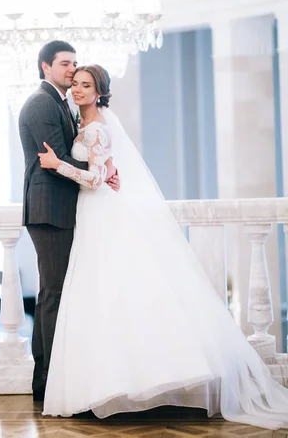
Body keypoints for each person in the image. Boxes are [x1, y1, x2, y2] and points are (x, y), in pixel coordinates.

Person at [38, 64, 288, 429]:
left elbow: (93, 179)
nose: (77, 89)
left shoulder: (96, 128)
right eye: (74, 83)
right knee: (101, 292)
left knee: (112, 287)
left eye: (85, 85)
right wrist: (105, 169)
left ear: (98, 92)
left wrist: (58, 164)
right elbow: (104, 171)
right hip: (94, 213)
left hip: (102, 210)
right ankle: (109, 381)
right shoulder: (85, 124)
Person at [18, 42, 119, 402]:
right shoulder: (43, 103)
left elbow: (82, 156)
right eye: (64, 64)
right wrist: (98, 173)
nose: (70, 72)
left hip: (62, 207)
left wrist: (103, 169)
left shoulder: (61, 103)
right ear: (45, 66)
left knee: (53, 293)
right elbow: (57, 159)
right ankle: (48, 382)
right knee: (54, 295)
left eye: (74, 65)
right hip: (50, 208)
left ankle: (48, 380)